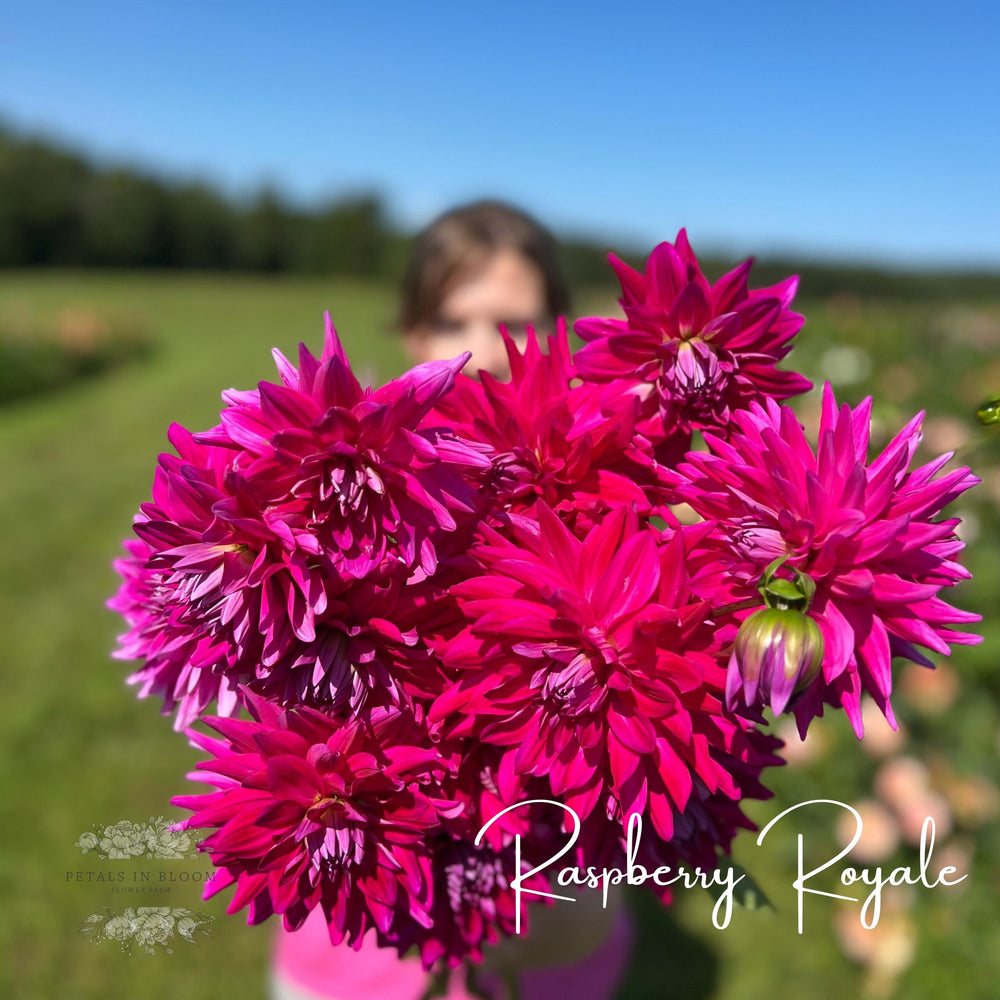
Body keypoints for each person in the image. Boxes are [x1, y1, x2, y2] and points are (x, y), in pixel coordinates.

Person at [270, 200, 633, 1000]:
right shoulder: (331, 517)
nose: (478, 352)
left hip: (547, 932)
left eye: (511, 322)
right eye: (451, 321)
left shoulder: (617, 487)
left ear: (558, 331)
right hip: (357, 949)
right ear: (410, 332)